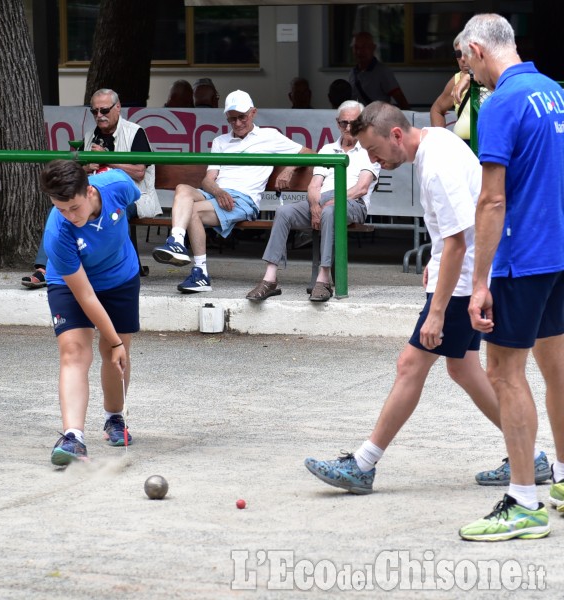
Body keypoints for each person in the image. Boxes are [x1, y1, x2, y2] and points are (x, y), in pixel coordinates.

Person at [304, 101, 507, 497]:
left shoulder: (436, 166)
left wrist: (436, 312)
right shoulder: (438, 143)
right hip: (464, 275)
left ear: (396, 134)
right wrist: (434, 264)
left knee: (410, 364)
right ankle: (527, 453)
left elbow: (458, 244)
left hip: (463, 281)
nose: (374, 160)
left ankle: (363, 464)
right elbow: (454, 234)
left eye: (375, 151)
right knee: (463, 368)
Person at [458, 14, 564, 542]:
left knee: (503, 371)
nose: (468, 75)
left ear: (477, 50)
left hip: (522, 256)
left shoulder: (500, 102)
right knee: (555, 365)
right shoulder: (555, 92)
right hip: (558, 252)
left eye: (463, 62)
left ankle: (524, 502)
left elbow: (492, 197)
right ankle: (563, 478)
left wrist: (479, 281)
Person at [152, 90, 313, 293]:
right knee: (182, 188)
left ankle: (200, 273)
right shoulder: (220, 141)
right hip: (217, 194)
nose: (237, 123)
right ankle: (176, 241)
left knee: (193, 211)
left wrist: (289, 169)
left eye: (242, 117)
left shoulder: (269, 136)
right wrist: (218, 192)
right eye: (232, 119)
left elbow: (309, 152)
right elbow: (207, 180)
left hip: (244, 199)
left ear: (253, 113)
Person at [40, 160, 141, 466]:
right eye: (61, 209)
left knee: (117, 354)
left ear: (89, 190)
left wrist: (114, 343)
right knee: (74, 352)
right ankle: (73, 437)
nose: (69, 216)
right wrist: (112, 340)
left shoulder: (117, 185)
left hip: (120, 275)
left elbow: (136, 195)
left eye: (74, 207)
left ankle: (114, 418)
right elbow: (84, 295)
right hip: (71, 283)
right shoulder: (57, 233)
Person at [21, 89, 160, 288]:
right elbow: (75, 173)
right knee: (60, 211)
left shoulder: (135, 132)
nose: (99, 115)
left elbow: (139, 173)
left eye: (104, 110)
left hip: (130, 197)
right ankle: (44, 269)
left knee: (108, 212)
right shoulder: (90, 136)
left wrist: (107, 160)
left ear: (118, 107)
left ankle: (102, 268)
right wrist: (85, 167)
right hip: (92, 195)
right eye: (94, 111)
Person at [245, 101, 379, 303]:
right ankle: (270, 278)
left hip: (352, 203)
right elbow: (314, 185)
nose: (349, 128)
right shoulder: (327, 149)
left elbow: (361, 188)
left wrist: (328, 204)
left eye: (355, 123)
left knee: (330, 211)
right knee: (284, 213)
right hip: (322, 201)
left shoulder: (370, 149)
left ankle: (323, 278)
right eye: (344, 123)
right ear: (337, 123)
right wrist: (315, 205)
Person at [430, 32, 487, 143]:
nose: (462, 59)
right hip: (463, 147)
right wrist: (440, 141)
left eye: (467, 53)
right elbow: (436, 110)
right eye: (458, 54)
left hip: (490, 146)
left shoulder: (494, 76)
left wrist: (469, 77)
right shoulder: (456, 79)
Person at [348, 32, 410, 109]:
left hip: (378, 120)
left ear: (373, 48)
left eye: (364, 47)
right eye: (356, 47)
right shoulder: (352, 73)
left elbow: (401, 101)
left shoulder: (383, 71)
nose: (359, 52)